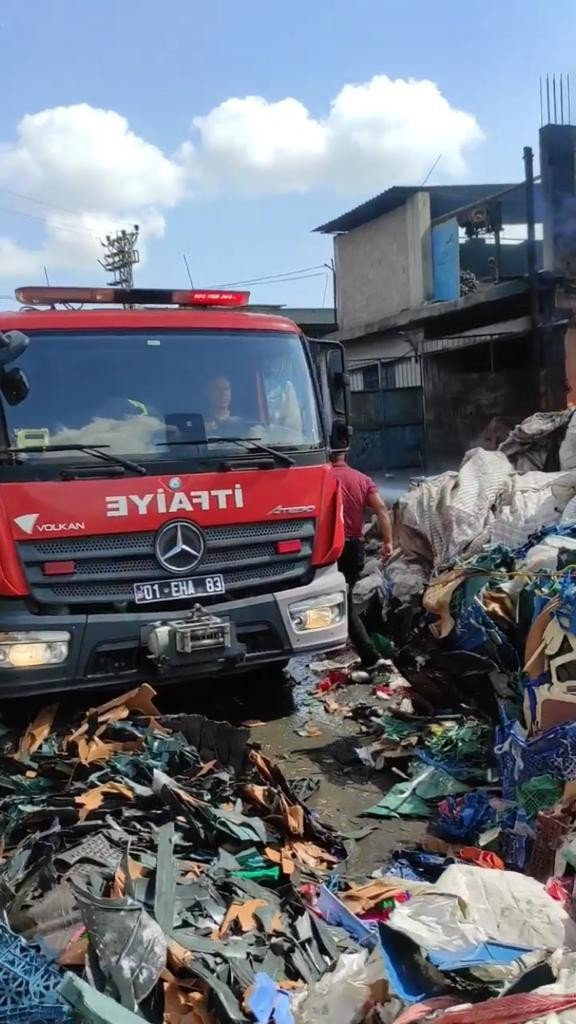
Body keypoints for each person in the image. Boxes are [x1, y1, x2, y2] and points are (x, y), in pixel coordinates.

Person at [331, 452, 393, 676]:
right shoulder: (362, 479)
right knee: (344, 597)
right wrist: (388, 542)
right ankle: (357, 648)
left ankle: (369, 655)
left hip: (329, 549)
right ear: (344, 453)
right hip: (355, 548)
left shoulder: (321, 478)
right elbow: (382, 509)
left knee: (341, 601)